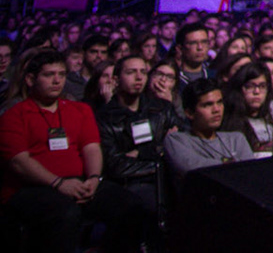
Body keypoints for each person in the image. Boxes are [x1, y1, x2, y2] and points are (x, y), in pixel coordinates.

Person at [1, 48, 148, 253]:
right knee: (65, 212)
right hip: (32, 189)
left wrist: (94, 179)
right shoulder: (14, 115)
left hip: (80, 181)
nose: (57, 81)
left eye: (61, 74)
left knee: (130, 205)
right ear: (30, 79)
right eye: (49, 75)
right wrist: (59, 183)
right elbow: (19, 162)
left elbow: (91, 148)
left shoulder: (79, 109)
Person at [96, 54, 171, 222]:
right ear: (115, 80)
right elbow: (115, 166)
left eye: (143, 72)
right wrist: (160, 154)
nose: (139, 77)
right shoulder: (104, 117)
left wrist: (140, 153)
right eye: (131, 72)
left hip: (165, 178)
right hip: (130, 184)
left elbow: (182, 142)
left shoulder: (162, 109)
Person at [163, 80, 251, 177]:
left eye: (220, 102)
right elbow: (196, 170)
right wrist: (234, 164)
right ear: (189, 113)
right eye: (208, 105)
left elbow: (250, 171)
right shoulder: (177, 140)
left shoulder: (236, 139)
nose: (217, 110)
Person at [222, 62, 273, 157]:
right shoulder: (230, 125)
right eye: (250, 86)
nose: (257, 92)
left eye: (262, 86)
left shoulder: (271, 122)